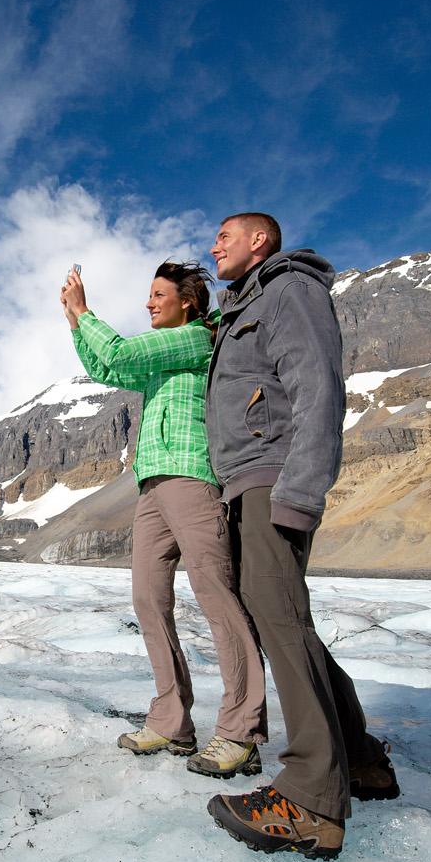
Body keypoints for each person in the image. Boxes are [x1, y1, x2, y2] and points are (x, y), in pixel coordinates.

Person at [201, 213, 399, 861]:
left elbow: (317, 387)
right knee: (285, 620)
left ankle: (313, 799)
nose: (213, 246)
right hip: (245, 481)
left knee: (280, 620)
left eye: (224, 236)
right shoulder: (243, 307)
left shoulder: (288, 288)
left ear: (260, 240)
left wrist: (299, 490)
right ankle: (361, 759)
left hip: (272, 477)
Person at [61, 261, 267, 778]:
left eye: (158, 295)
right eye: (148, 296)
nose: (149, 303)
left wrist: (86, 312)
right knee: (148, 599)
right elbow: (106, 369)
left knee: (218, 598)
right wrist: (73, 322)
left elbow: (120, 352)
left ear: (188, 303)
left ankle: (241, 731)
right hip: (151, 484)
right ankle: (172, 721)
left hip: (191, 478)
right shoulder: (166, 352)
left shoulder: (194, 339)